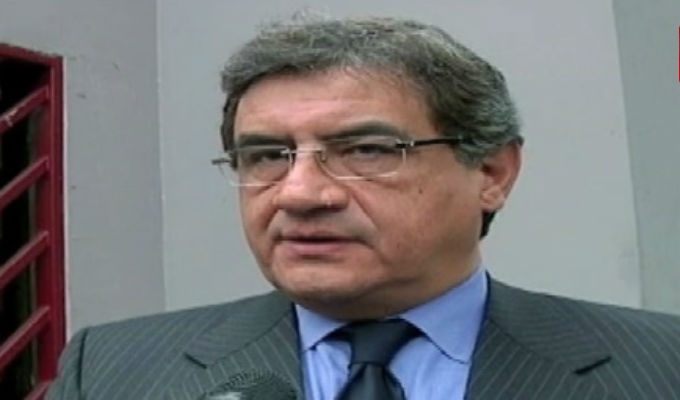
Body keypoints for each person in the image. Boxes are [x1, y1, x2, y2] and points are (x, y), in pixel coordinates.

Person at [47, 16, 680, 400]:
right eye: (265, 155)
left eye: (367, 150)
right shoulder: (112, 372)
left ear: (491, 172)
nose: (299, 193)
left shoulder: (660, 366)